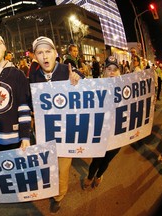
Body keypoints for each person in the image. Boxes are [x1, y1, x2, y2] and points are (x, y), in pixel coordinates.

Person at [29, 36, 81, 213]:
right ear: (35, 56)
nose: (45, 56)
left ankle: (58, 196)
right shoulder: (34, 76)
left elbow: (84, 84)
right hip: (44, 132)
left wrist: (78, 77)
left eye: (48, 51)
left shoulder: (67, 70)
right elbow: (30, 101)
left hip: (66, 132)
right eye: (40, 52)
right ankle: (49, 187)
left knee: (62, 168)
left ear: (56, 53)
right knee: (48, 165)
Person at [82, 56, 122, 190]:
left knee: (107, 160)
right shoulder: (95, 87)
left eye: (115, 69)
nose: (112, 72)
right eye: (109, 69)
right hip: (101, 133)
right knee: (97, 159)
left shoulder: (125, 87)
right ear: (104, 71)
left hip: (117, 135)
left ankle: (99, 176)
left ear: (119, 72)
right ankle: (90, 176)